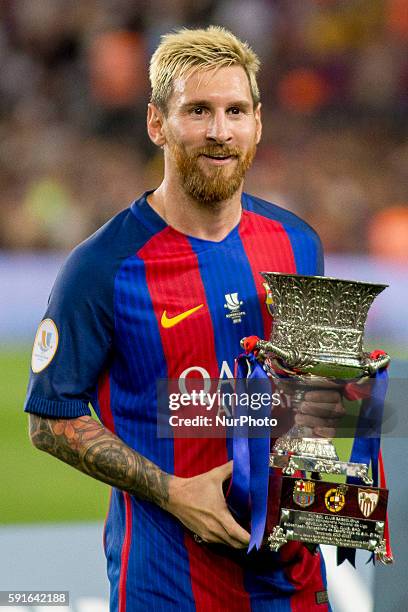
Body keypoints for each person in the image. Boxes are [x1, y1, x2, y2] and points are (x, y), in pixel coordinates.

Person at [25, 26, 344, 611]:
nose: (220, 131)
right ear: (156, 123)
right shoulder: (102, 266)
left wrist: (338, 497)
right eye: (198, 110)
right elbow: (49, 417)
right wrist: (174, 492)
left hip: (292, 581)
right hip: (166, 583)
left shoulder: (302, 246)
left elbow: (313, 410)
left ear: (258, 123)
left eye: (235, 111)